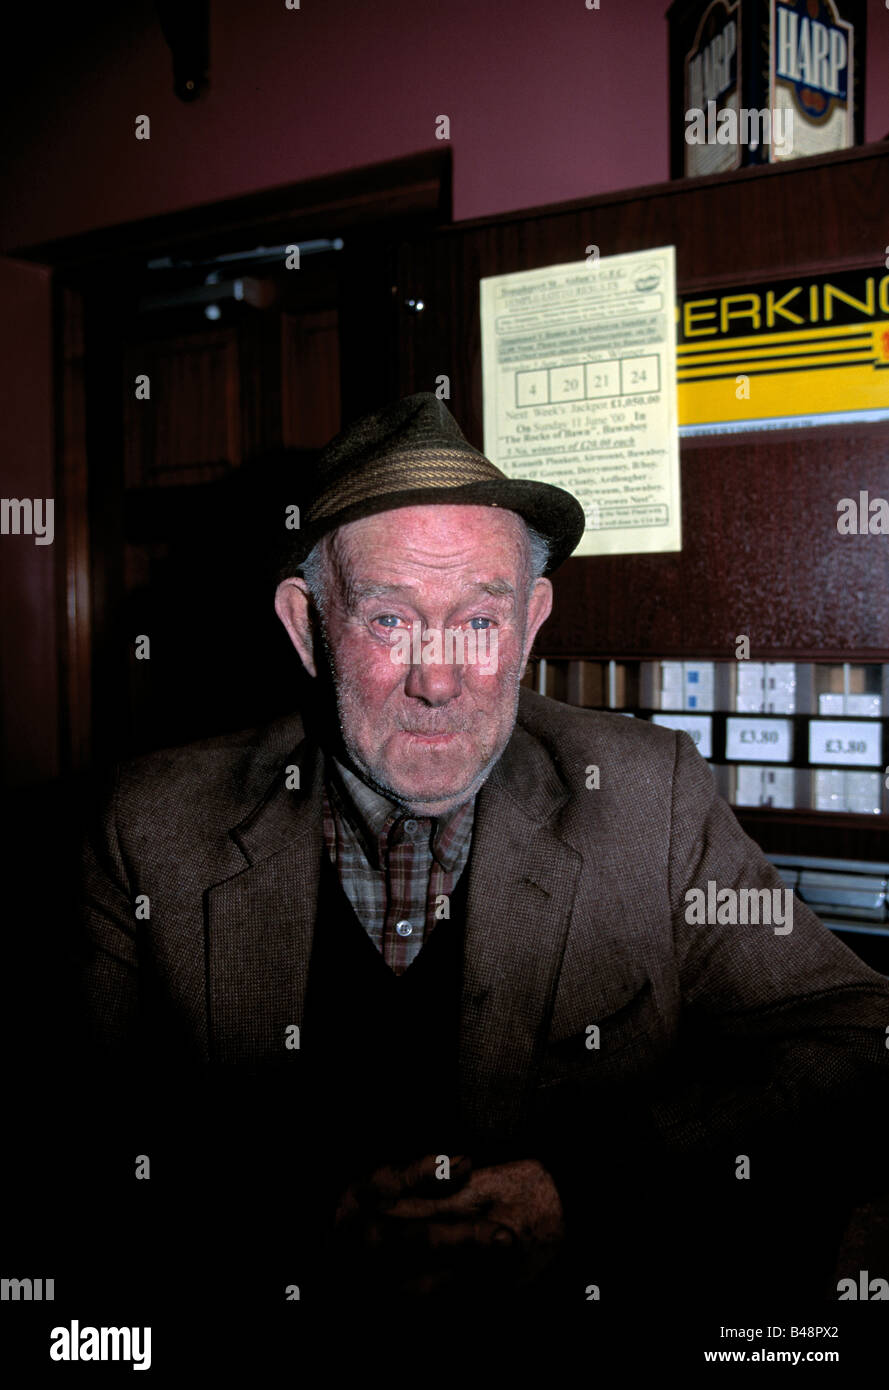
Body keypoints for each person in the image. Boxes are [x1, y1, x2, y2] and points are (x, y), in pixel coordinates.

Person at [79, 393, 889, 1310]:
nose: (436, 679)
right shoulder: (151, 827)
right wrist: (299, 1220)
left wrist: (591, 1183)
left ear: (533, 621)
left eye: (478, 620)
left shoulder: (641, 795)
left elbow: (862, 1033)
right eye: (388, 620)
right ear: (307, 627)